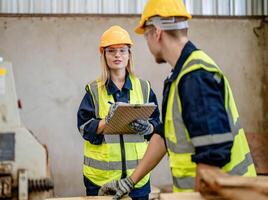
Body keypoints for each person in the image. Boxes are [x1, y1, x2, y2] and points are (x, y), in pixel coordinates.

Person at [98, 0, 257, 198]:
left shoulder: (195, 77)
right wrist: (130, 182)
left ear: (156, 32)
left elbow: (212, 158)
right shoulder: (179, 77)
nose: (147, 43)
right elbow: (165, 134)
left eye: (146, 36)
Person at [77, 25, 161, 200]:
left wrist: (149, 129)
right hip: (101, 180)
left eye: (122, 50)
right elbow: (84, 127)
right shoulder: (94, 91)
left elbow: (157, 127)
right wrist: (107, 121)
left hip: (137, 179)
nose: (117, 55)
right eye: (112, 51)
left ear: (129, 54)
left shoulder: (144, 88)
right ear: (104, 55)